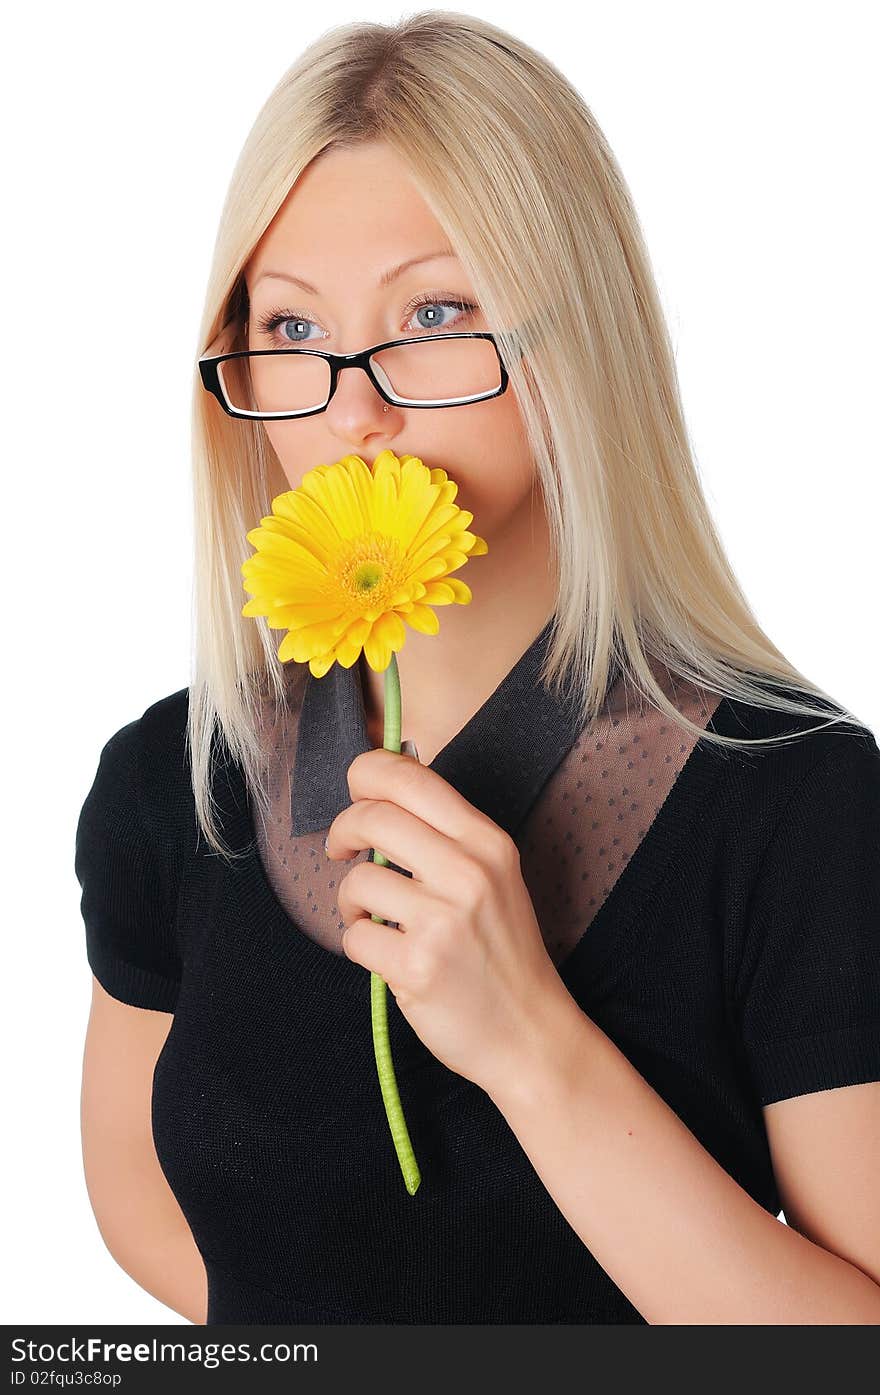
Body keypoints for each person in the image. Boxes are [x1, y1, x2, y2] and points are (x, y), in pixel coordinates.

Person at [75, 13, 880, 1326]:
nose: (350, 410)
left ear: (582, 341)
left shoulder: (797, 796)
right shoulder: (178, 780)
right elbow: (132, 1190)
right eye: (289, 328)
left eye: (434, 313)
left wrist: (532, 1045)